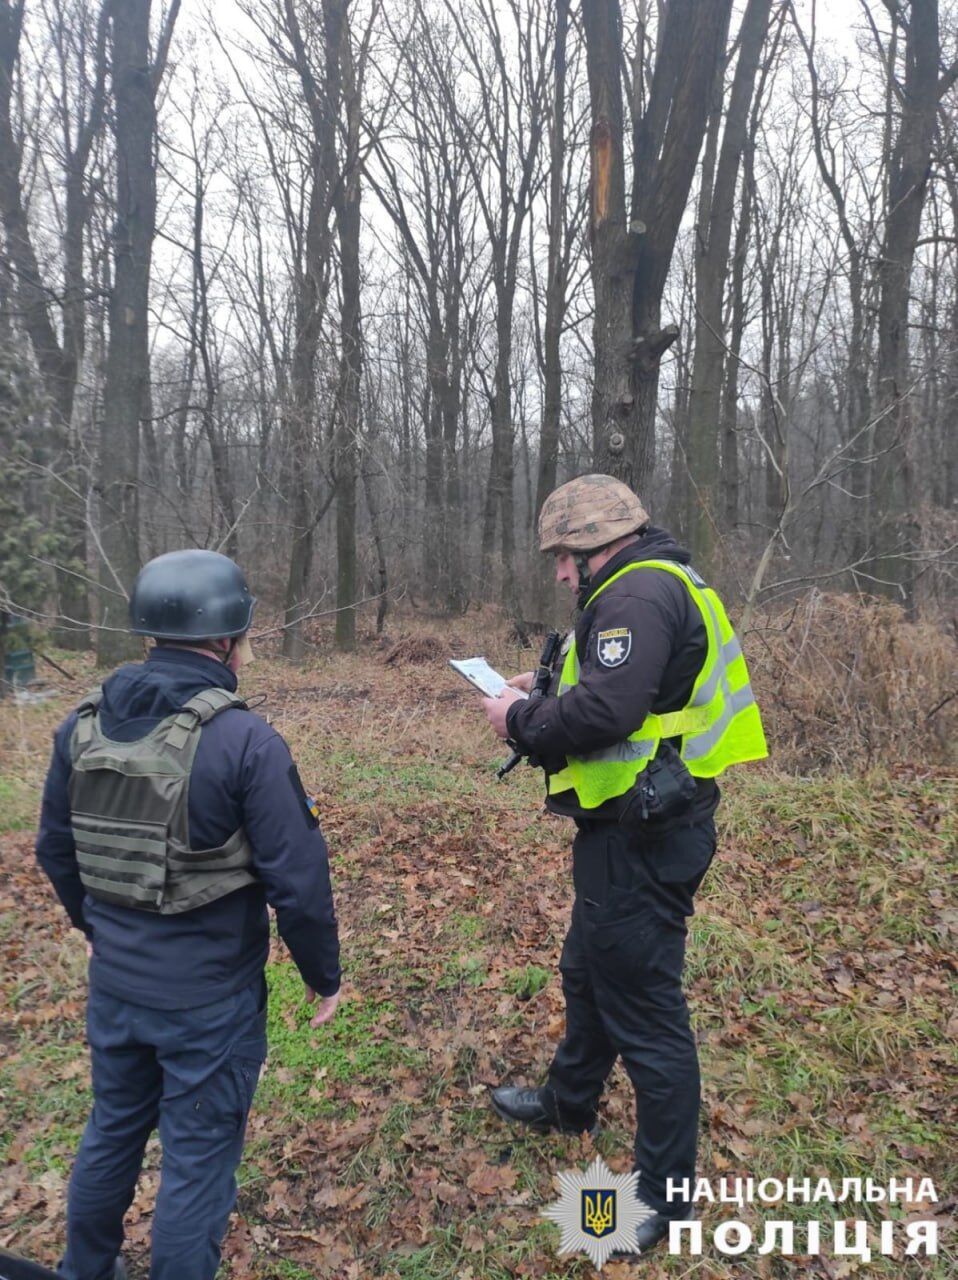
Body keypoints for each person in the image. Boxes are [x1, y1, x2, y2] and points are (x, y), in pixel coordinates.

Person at [36, 549, 341, 1280]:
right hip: (210, 1003)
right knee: (198, 1163)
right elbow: (297, 880)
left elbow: (56, 851)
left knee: (111, 1131)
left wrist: (103, 932)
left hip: (117, 988)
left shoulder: (80, 727)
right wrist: (323, 977)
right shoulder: (243, 741)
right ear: (230, 639)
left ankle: (86, 1269)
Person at [480, 474, 767, 1253]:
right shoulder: (648, 585)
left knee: (645, 1011)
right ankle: (570, 1101)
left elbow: (610, 711)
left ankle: (664, 1199)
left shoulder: (637, 596)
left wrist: (520, 719)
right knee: (588, 969)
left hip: (646, 835)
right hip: (629, 826)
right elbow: (611, 685)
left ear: (600, 542)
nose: (561, 573)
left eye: (566, 557)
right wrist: (536, 687)